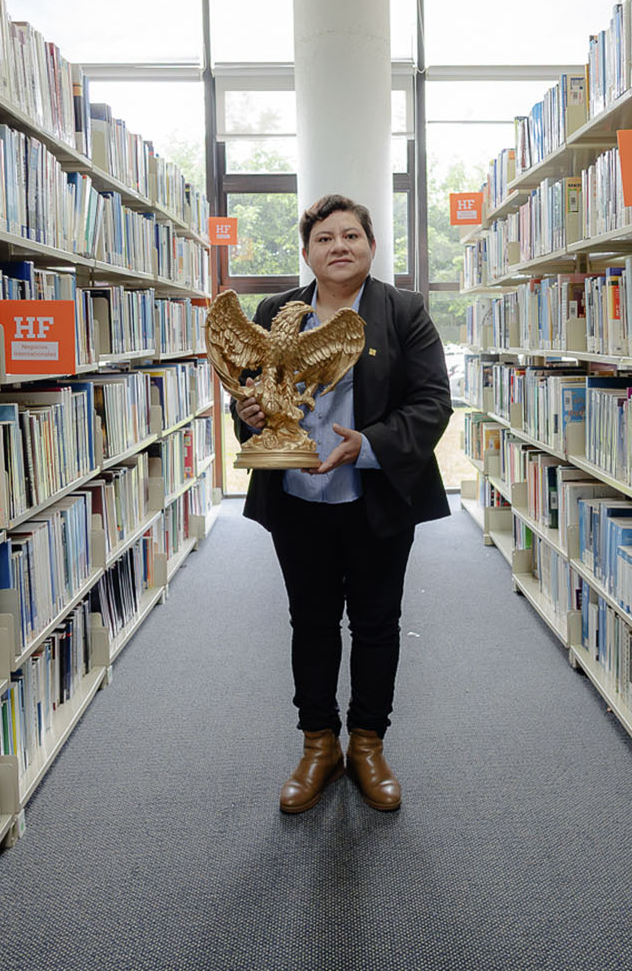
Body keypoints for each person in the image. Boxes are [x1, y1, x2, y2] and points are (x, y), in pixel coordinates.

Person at [236, 194, 453, 814]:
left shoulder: (403, 311)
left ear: (371, 246)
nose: (339, 246)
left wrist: (368, 445)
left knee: (377, 623)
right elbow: (249, 395)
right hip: (299, 498)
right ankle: (317, 744)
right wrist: (248, 414)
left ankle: (367, 743)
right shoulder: (277, 311)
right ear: (307, 253)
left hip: (375, 494)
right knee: (310, 620)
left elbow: (433, 401)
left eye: (351, 235)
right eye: (325, 237)